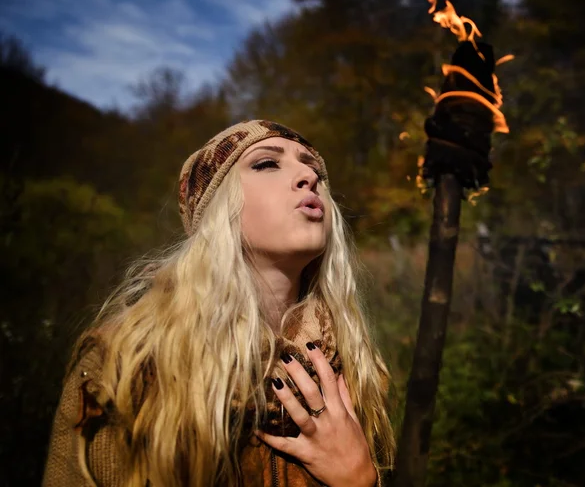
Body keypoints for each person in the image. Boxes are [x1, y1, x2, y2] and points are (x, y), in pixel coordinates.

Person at [43, 120, 396, 486]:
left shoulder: (357, 370)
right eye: (267, 163)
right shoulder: (127, 364)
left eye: (313, 168)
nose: (308, 175)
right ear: (218, 208)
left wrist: (359, 478)